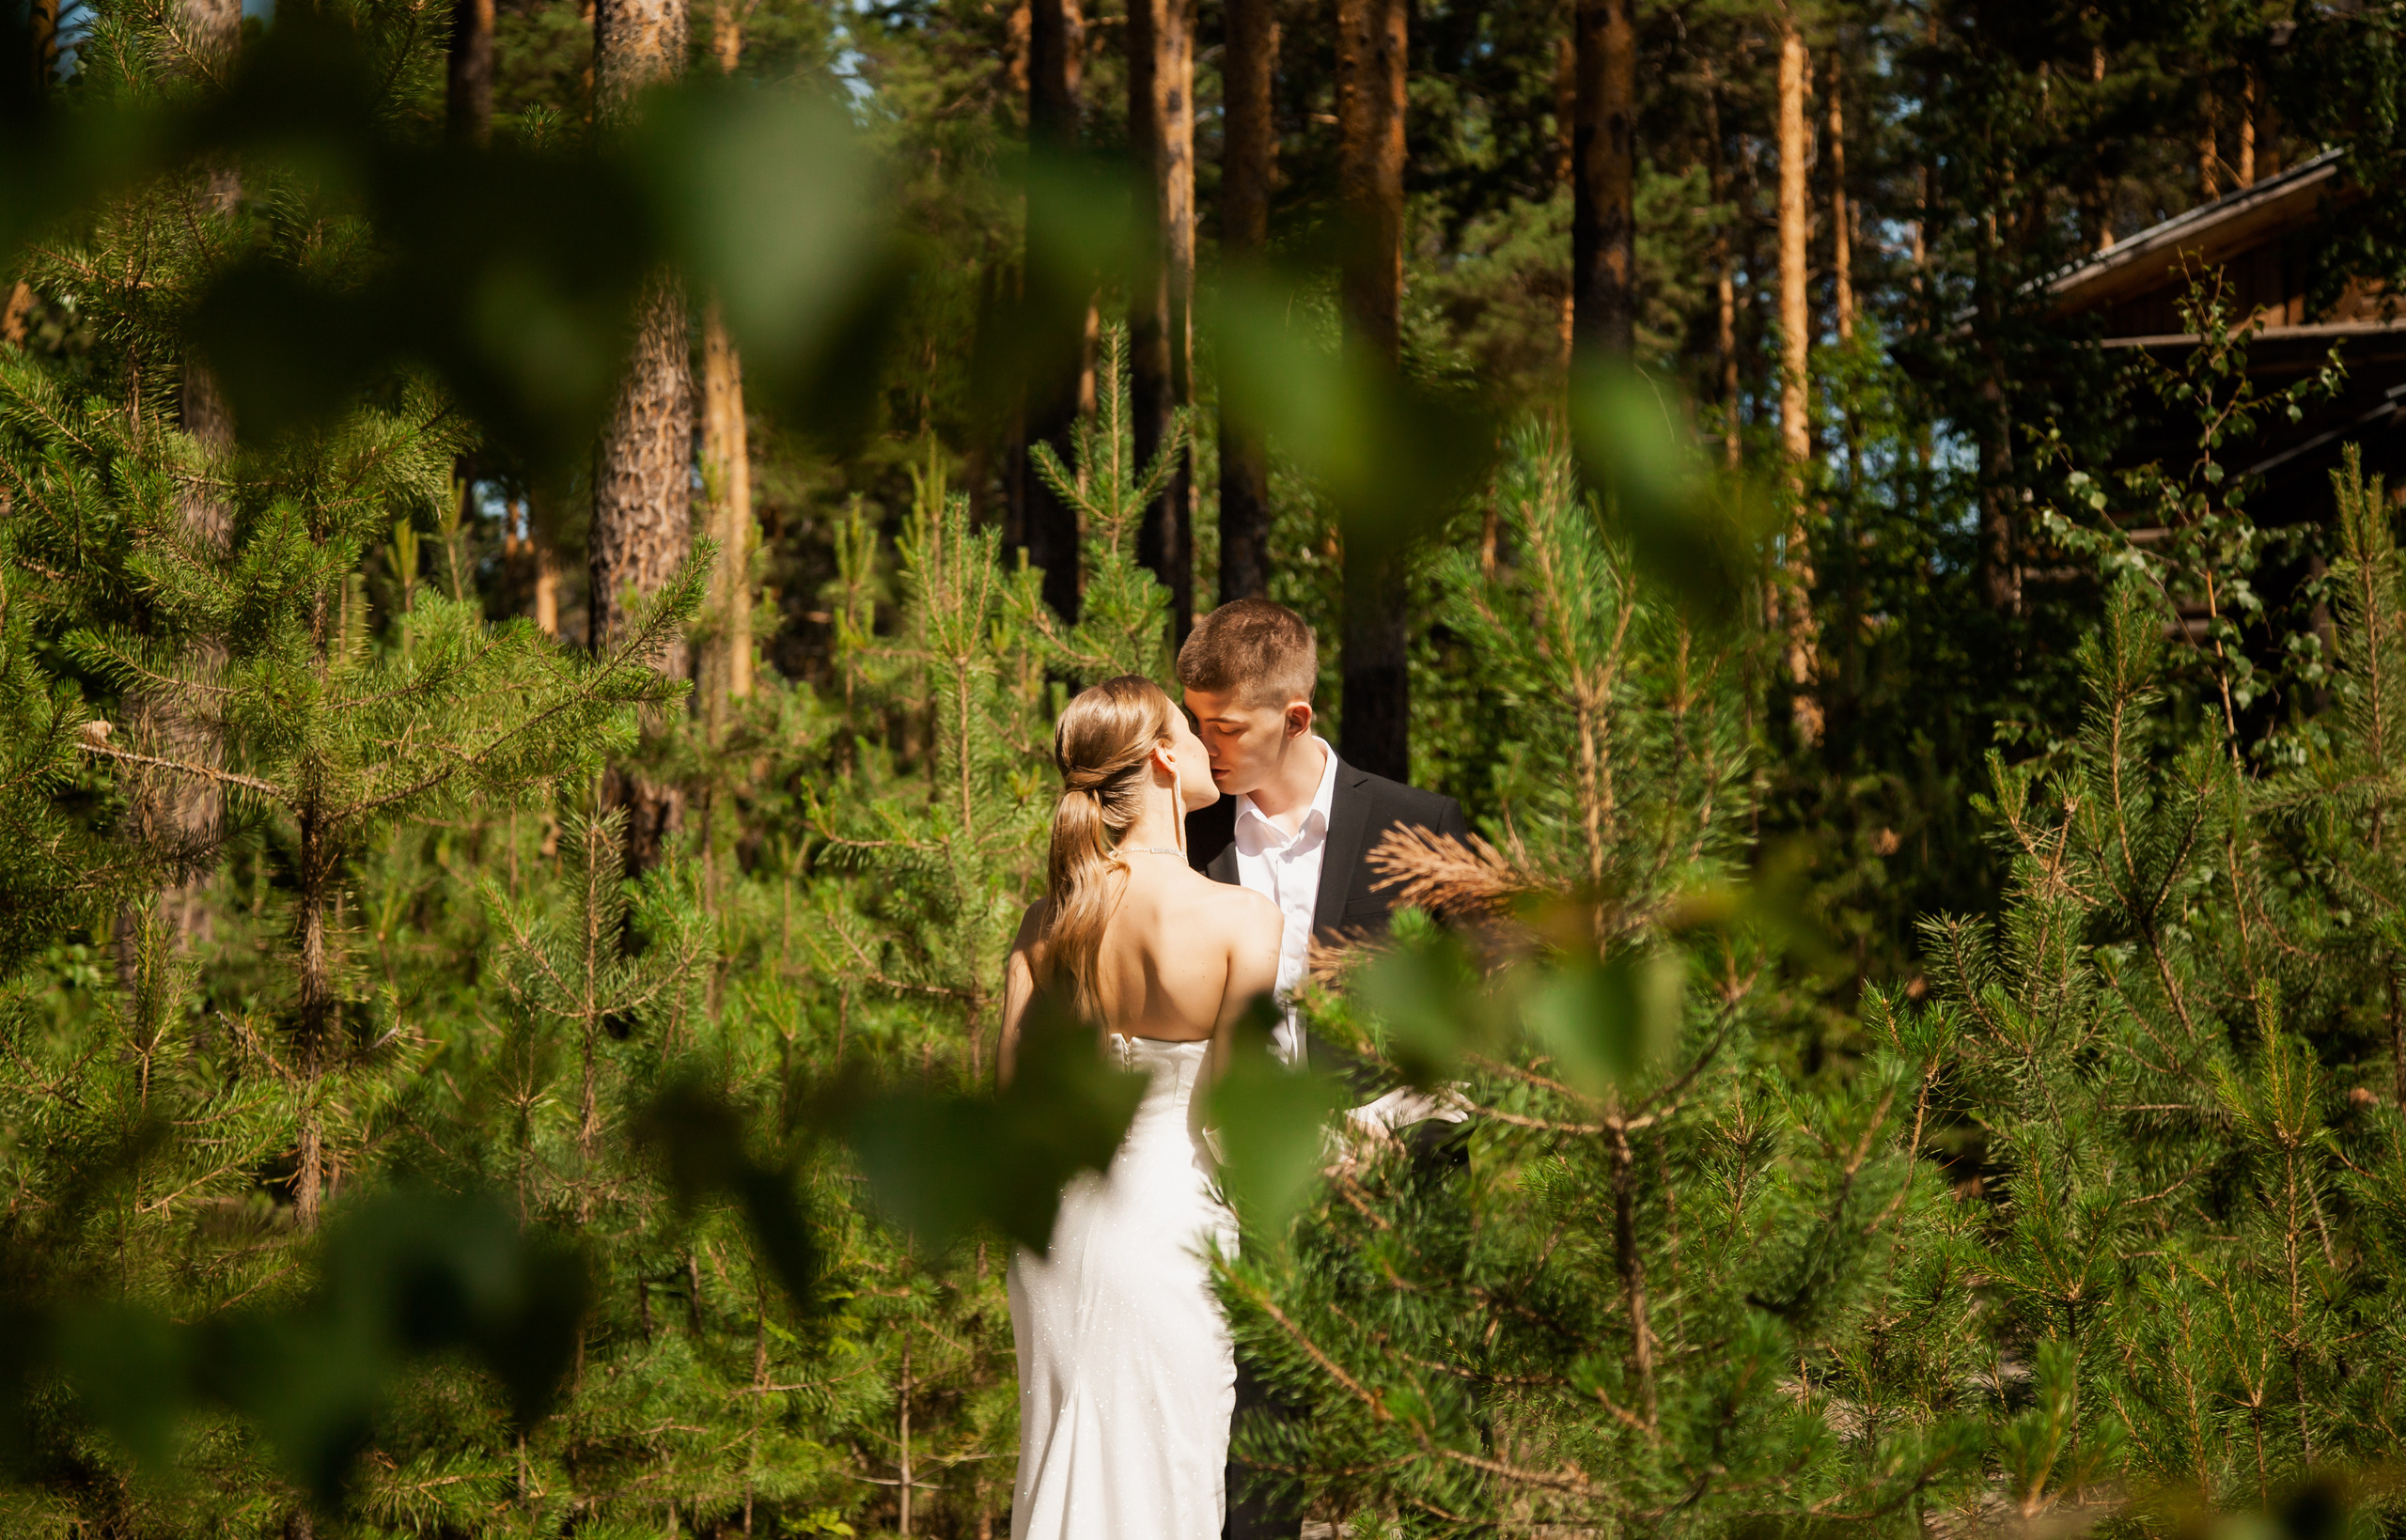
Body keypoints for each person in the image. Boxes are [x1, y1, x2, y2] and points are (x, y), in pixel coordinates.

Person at [1176, 598, 1473, 1540]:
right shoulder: (1188, 842)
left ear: (1295, 716)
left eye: (1223, 726)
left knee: (1441, 1450)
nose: (1202, 744)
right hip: (1247, 1193)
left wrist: (1381, 1129)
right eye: (1193, 722)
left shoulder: (1420, 825)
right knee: (1257, 1455)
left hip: (1404, 1184)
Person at [1001, 674, 1285, 1540]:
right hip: (1173, 1230)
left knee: (1060, 1461)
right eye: (1189, 733)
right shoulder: (1242, 920)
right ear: (1165, 757)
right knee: (1165, 1475)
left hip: (1054, 1231)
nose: (1206, 745)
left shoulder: (1044, 923)